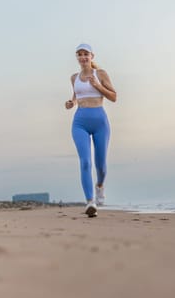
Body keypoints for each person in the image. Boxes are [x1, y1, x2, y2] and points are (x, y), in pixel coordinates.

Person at [65, 43, 117, 217]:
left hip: (100, 122)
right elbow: (76, 97)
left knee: (100, 165)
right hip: (80, 122)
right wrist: (71, 103)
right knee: (85, 162)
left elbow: (114, 97)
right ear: (77, 58)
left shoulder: (100, 74)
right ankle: (90, 202)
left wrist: (98, 86)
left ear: (92, 56)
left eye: (85, 54)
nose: (82, 57)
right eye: (79, 54)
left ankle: (100, 186)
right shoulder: (74, 78)